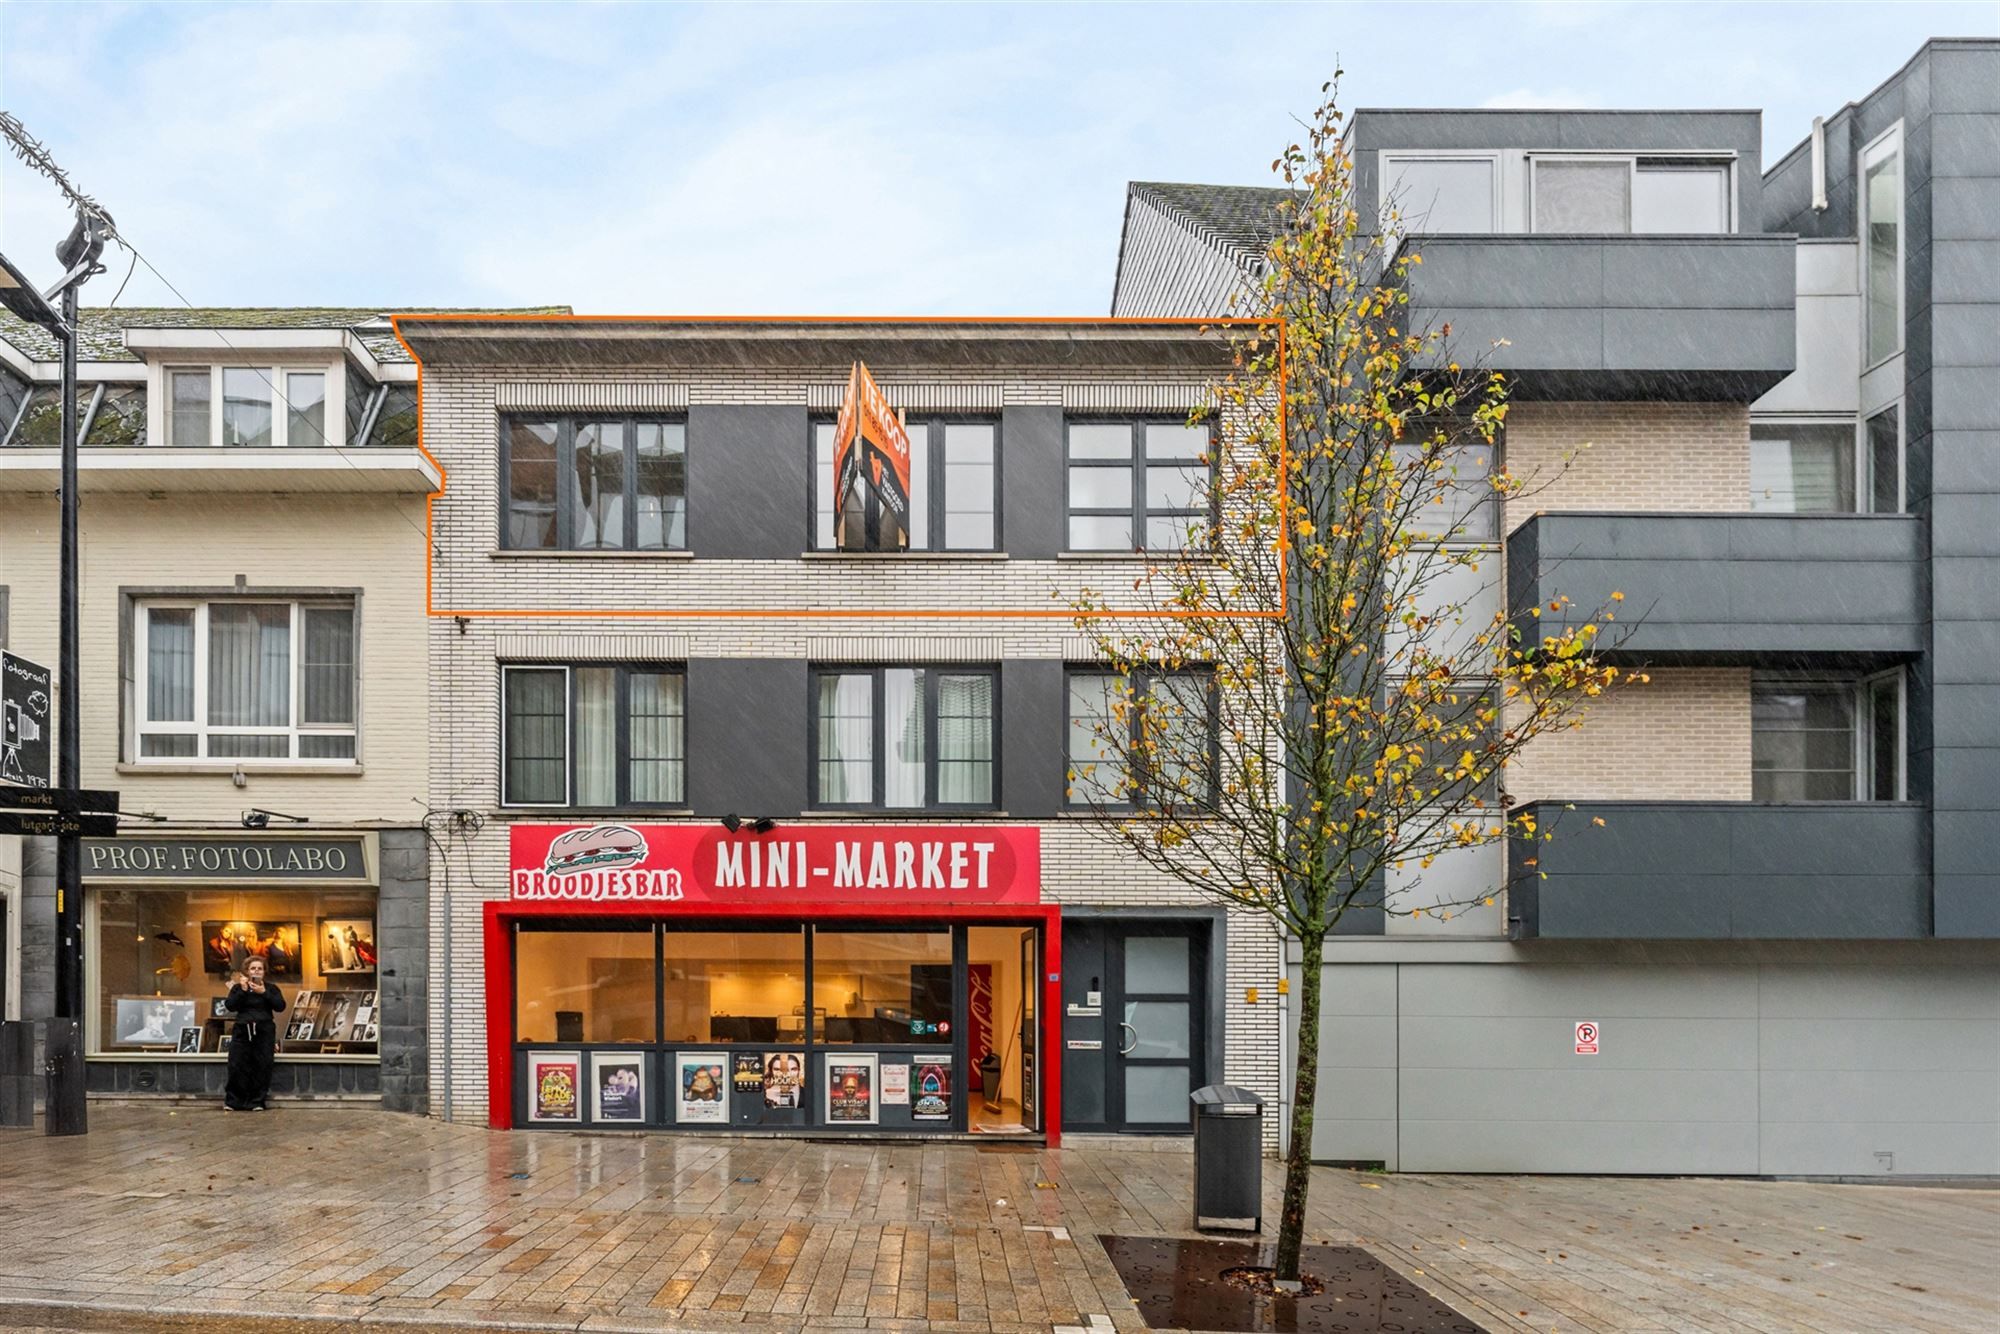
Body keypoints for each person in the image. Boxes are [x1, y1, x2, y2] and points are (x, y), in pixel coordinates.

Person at [223, 956, 287, 1111]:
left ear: (264, 971)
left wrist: (264, 993)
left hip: (263, 1031)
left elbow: (280, 1006)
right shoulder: (239, 988)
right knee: (237, 1064)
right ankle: (234, 1101)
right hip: (242, 1030)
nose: (256, 971)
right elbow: (230, 1006)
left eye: (259, 968)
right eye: (253, 968)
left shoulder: (271, 988)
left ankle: (256, 1101)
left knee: (262, 1065)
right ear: (247, 971)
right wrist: (243, 991)